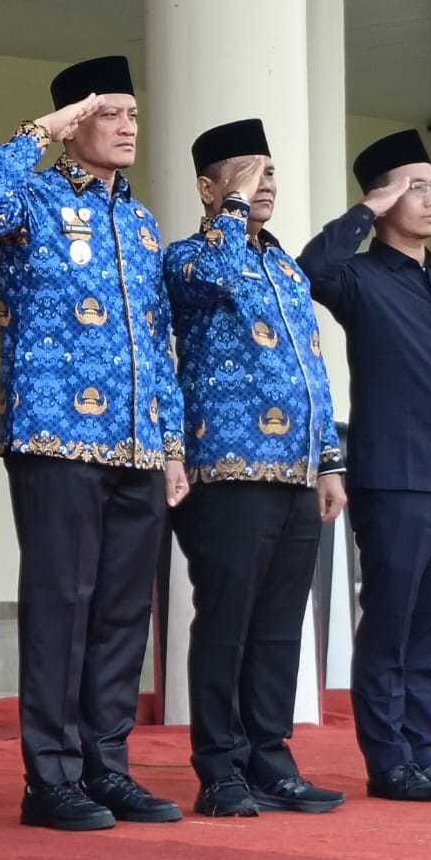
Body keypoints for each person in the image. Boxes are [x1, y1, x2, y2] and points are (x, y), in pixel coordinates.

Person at [0, 55, 187, 831]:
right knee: (62, 606)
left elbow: (158, 341)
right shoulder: (33, 197)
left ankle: (107, 766)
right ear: (73, 126)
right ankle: (51, 777)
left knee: (123, 613)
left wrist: (173, 444)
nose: (127, 127)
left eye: (132, 114)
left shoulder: (142, 222)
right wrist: (38, 131)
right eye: (109, 113)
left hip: (137, 444)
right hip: (55, 435)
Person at [299, 128, 431, 801]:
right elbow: (311, 268)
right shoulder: (359, 279)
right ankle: (390, 763)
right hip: (395, 479)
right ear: (384, 198)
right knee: (392, 623)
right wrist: (364, 211)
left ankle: (424, 754)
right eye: (416, 188)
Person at [162, 119, 347, 818]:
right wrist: (233, 210)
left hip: (296, 473)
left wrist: (328, 461)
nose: (261, 183)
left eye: (267, 171)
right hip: (227, 472)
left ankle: (270, 758)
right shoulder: (188, 257)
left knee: (278, 627)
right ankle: (220, 769)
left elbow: (314, 370)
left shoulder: (287, 267)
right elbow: (213, 274)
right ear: (207, 188)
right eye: (243, 172)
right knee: (227, 621)